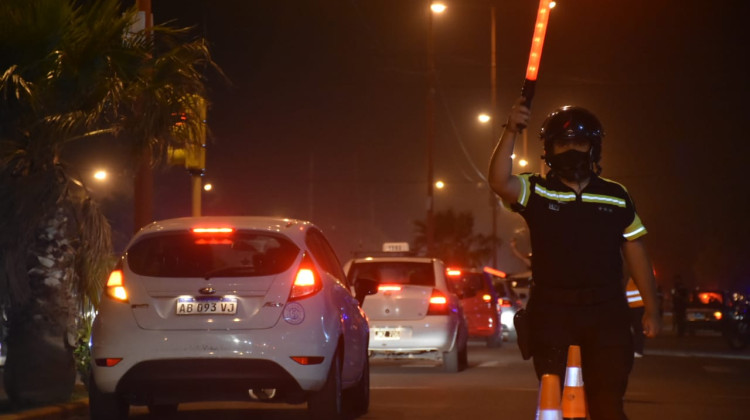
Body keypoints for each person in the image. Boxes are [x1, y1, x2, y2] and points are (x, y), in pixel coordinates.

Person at [488, 98, 661, 420]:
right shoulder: (535, 190)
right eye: (562, 143)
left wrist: (652, 306)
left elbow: (636, 249)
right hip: (552, 312)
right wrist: (510, 129)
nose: (571, 150)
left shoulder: (616, 194)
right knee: (554, 397)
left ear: (594, 148)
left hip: (607, 312)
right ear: (549, 150)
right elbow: (499, 181)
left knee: (608, 401)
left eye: (580, 143)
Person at [626, 277, 646, 357]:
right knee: (637, 329)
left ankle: (638, 350)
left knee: (638, 329)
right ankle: (636, 349)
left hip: (637, 307)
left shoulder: (635, 277)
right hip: (636, 307)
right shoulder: (633, 278)